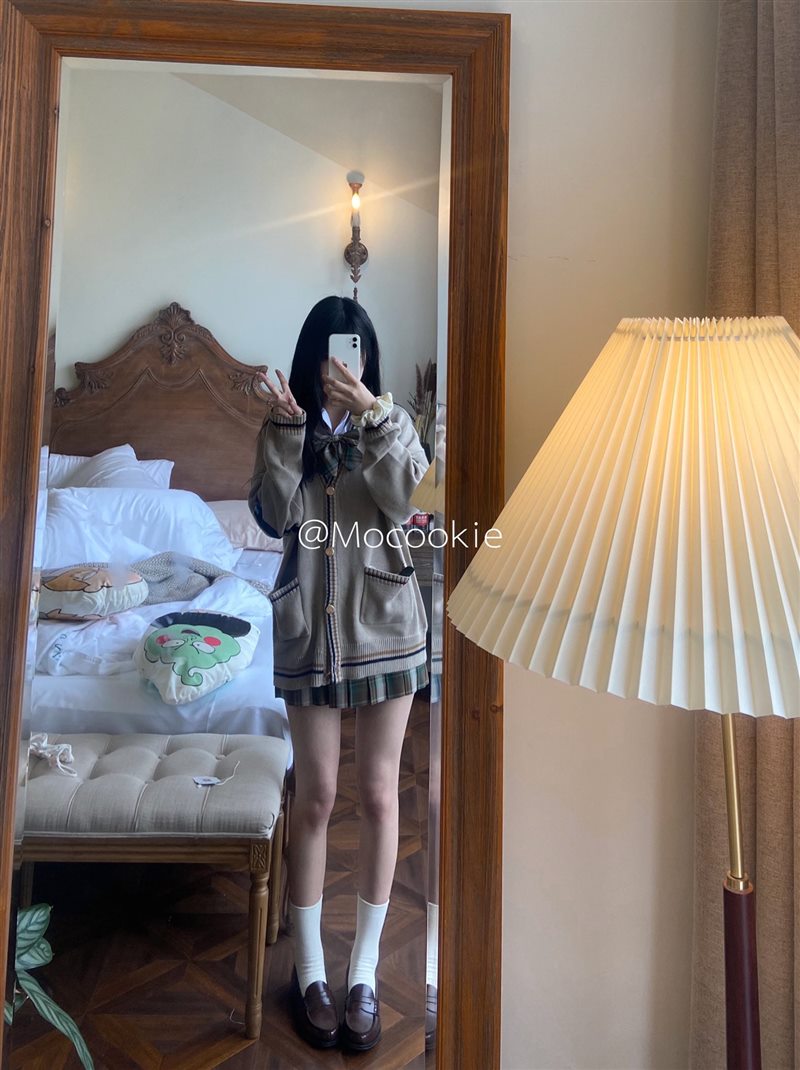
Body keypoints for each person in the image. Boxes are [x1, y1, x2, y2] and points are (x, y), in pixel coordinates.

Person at [248, 296, 429, 1052]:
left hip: (386, 627)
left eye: (349, 354)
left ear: (365, 359)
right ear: (309, 360)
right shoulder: (286, 424)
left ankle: (363, 975)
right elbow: (272, 517)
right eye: (326, 355)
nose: (338, 368)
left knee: (381, 793)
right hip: (307, 632)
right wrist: (288, 434)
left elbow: (408, 498)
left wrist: (375, 416)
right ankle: (312, 972)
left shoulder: (393, 422)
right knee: (317, 795)